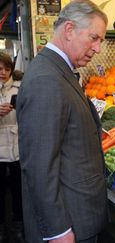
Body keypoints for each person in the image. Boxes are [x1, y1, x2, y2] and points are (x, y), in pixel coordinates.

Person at [16, 1, 108, 242]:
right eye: (94, 38)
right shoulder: (46, 80)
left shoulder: (58, 70)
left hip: (79, 216)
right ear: (69, 30)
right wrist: (58, 231)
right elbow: (39, 166)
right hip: (69, 225)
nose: (98, 48)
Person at [0, 52, 24, 243]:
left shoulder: (20, 86)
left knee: (19, 190)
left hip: (18, 146)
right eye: (0, 69)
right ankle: (1, 229)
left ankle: (18, 226)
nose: (3, 72)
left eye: (7, 69)